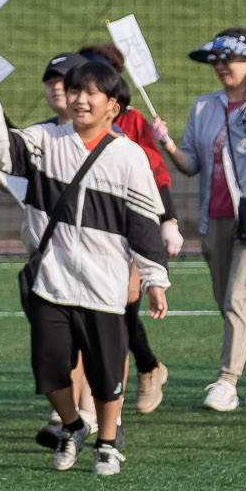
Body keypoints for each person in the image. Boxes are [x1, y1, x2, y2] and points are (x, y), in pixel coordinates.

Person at [0, 55, 172, 478]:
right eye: (75, 90)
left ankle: (107, 443)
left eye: (91, 93)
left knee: (105, 371)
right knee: (49, 367)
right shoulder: (44, 139)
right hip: (52, 279)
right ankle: (74, 425)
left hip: (105, 286)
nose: (79, 99)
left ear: (112, 106)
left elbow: (144, 225)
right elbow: (2, 152)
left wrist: (154, 279)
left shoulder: (130, 156)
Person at [162, 29, 246, 413]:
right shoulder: (204, 107)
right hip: (214, 214)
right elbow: (191, 164)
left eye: (229, 59)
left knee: (238, 296)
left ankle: (227, 381)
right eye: (216, 60)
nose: (221, 67)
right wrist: (167, 145)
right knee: (227, 301)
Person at [79, 40, 178, 415]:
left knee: (122, 311)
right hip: (88, 229)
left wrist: (167, 220)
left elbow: (155, 173)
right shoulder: (70, 123)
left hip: (128, 228)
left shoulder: (132, 121)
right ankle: (82, 401)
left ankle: (147, 368)